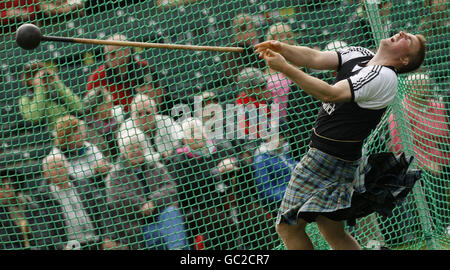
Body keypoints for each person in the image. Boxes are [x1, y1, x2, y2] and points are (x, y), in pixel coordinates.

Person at [255, 30, 426, 250]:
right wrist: (282, 48)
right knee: (332, 230)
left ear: (404, 60)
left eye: (408, 40)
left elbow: (330, 93)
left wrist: (285, 68)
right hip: (336, 158)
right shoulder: (361, 54)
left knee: (288, 227)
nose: (402, 33)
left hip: (326, 159)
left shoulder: (383, 75)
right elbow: (314, 58)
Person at [105, 127, 188, 250]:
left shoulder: (156, 166)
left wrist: (153, 201)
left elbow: (171, 188)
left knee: (171, 213)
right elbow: (116, 199)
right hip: (137, 226)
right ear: (123, 151)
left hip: (163, 217)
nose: (136, 151)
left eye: (139, 147)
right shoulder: (115, 174)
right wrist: (141, 205)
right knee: (168, 235)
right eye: (131, 148)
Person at [388, 72, 449, 234]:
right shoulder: (400, 112)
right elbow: (400, 147)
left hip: (444, 159)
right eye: (419, 87)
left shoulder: (438, 106)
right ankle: (441, 226)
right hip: (420, 163)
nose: (425, 89)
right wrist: (426, 163)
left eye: (426, 86)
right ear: (409, 89)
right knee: (432, 179)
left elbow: (446, 135)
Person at [38, 153, 121, 250]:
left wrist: (108, 236)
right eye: (53, 168)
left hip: (98, 242)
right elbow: (44, 230)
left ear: (67, 167)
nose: (58, 170)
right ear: (45, 173)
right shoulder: (43, 198)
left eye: (60, 166)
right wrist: (61, 247)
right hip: (71, 246)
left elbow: (103, 212)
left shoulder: (84, 185)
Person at [86, 34, 163, 113]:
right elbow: (90, 107)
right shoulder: (97, 76)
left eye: (113, 53)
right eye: (106, 54)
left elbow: (157, 99)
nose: (108, 58)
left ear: (127, 52)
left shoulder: (143, 68)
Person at [48, 114, 111, 189]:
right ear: (67, 136)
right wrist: (93, 170)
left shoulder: (88, 146)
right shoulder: (56, 156)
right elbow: (68, 177)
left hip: (97, 185)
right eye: (79, 134)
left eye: (83, 132)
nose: (84, 135)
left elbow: (101, 162)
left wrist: (104, 167)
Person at [18, 61, 83, 131]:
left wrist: (57, 83)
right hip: (49, 138)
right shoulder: (25, 99)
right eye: (34, 75)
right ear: (29, 80)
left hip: (74, 130)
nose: (41, 76)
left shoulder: (58, 91)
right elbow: (34, 117)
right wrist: (40, 88)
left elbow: (80, 107)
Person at [118, 93, 183, 159]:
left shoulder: (166, 121)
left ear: (155, 112)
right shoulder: (126, 128)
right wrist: (162, 156)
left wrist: (174, 151)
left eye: (147, 113)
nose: (143, 117)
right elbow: (131, 157)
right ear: (132, 115)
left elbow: (181, 139)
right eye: (139, 114)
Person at [252, 120, 296, 214]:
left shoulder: (284, 153)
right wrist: (293, 194)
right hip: (280, 206)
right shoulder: (262, 159)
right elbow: (266, 192)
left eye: (279, 137)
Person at [82, 86, 125, 162]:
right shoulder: (87, 132)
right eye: (108, 104)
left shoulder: (116, 122)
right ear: (96, 109)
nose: (112, 107)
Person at [221, 13, 265, 85]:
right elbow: (235, 75)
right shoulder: (233, 50)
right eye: (241, 31)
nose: (247, 34)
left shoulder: (264, 43)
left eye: (250, 29)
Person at [264, 22, 296, 118]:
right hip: (276, 119)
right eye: (281, 36)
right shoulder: (268, 66)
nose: (287, 39)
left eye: (289, 35)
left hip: (296, 113)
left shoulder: (301, 64)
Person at [235, 67, 273, 139]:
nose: (266, 88)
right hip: (253, 141)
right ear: (249, 90)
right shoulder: (247, 105)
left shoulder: (258, 98)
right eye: (262, 86)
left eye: (266, 83)